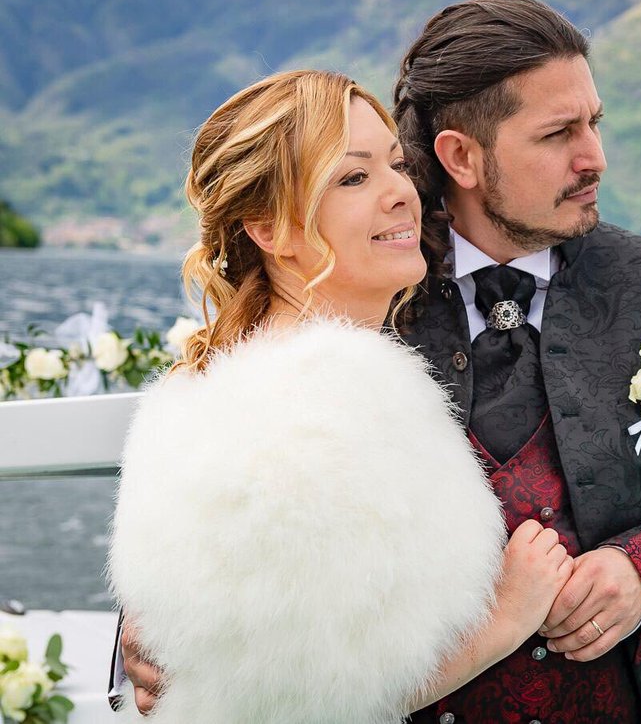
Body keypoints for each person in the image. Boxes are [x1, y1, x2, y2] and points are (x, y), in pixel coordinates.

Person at [120, 0, 641, 723]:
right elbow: (235, 482)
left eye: (595, 123)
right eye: (558, 133)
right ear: (461, 156)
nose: (595, 158)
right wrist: (154, 629)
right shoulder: (364, 276)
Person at [107, 69, 573, 723]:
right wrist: (508, 615)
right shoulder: (319, 408)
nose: (401, 193)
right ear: (270, 229)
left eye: (396, 165)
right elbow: (305, 699)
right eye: (353, 177)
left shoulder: (220, 384)